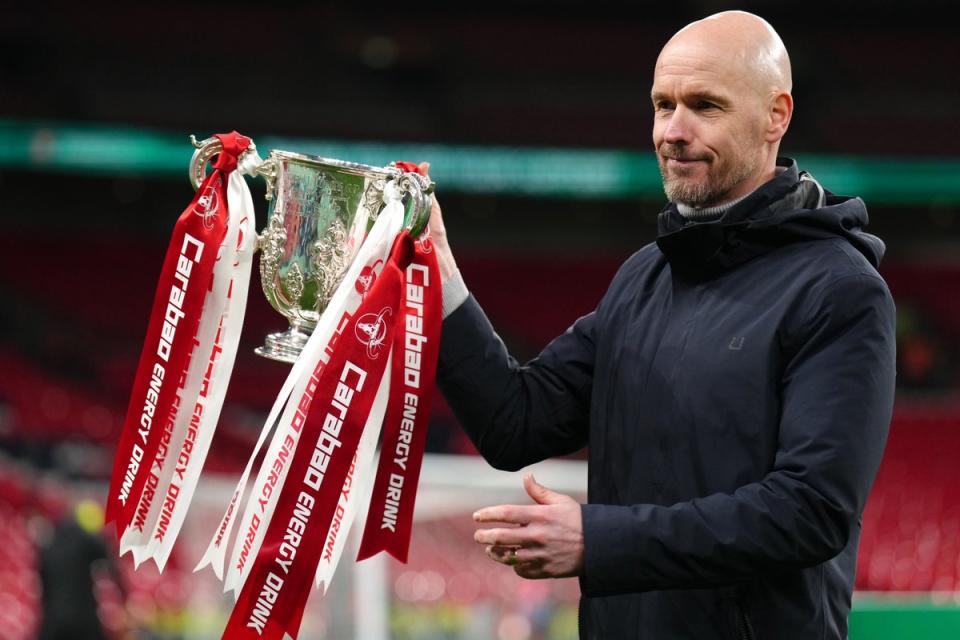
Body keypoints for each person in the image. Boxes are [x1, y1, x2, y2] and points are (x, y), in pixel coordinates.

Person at [420, 10, 896, 640]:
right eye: (662, 104)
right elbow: (517, 421)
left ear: (775, 115)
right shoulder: (645, 276)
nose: (674, 130)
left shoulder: (841, 290)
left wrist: (598, 539)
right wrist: (438, 278)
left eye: (705, 105)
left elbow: (810, 512)